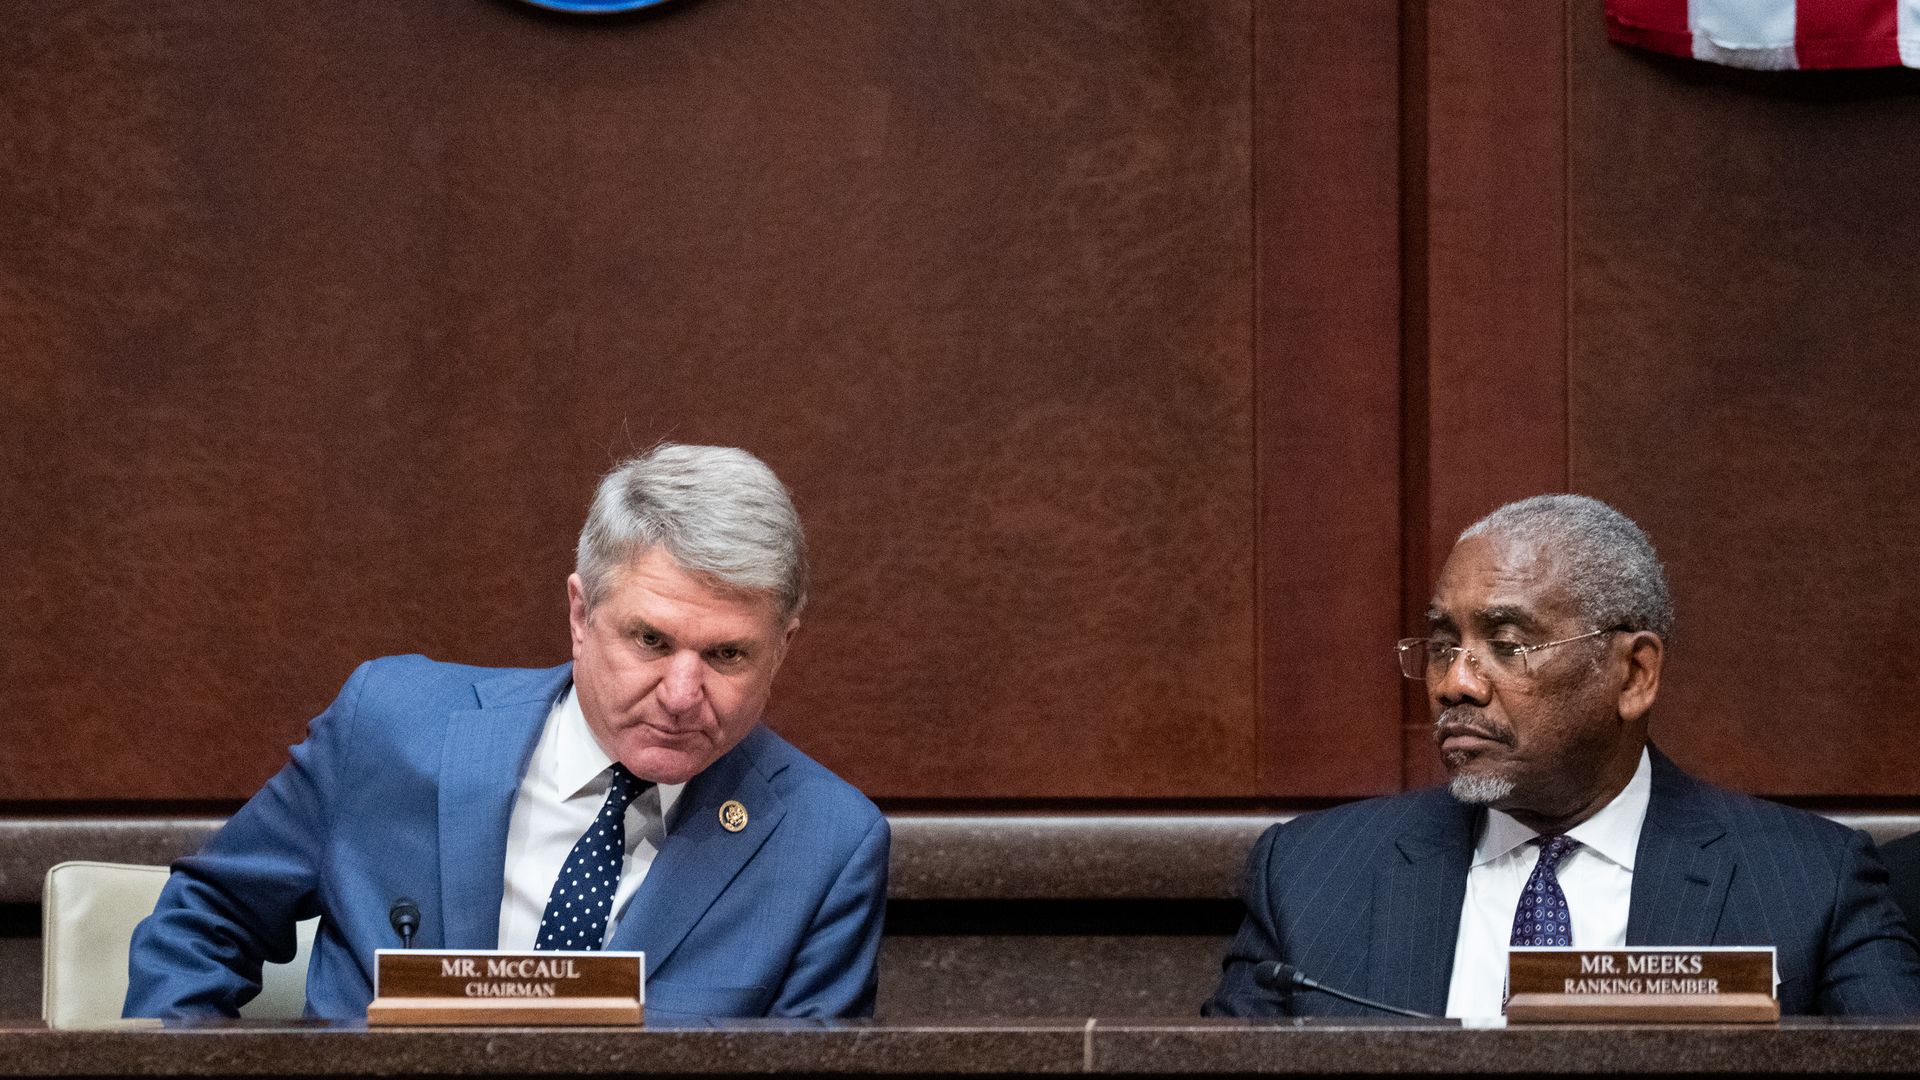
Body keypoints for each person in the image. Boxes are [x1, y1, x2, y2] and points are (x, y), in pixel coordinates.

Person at [126, 444, 888, 1021]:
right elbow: (206, 920)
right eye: (651, 641)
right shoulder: (391, 726)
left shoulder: (825, 845)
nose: (683, 695)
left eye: (726, 654)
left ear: (782, 647)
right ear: (580, 616)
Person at [1204, 494, 1920, 1018]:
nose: (1455, 682)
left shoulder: (1805, 882)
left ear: (1634, 675)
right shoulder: (1310, 877)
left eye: (1507, 646)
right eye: (1443, 644)